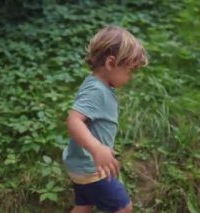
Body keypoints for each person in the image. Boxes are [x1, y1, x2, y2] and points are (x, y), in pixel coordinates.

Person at [62, 26, 148, 213]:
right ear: (111, 63)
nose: (130, 77)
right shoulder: (96, 90)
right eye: (129, 70)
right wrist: (97, 148)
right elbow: (74, 121)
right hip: (91, 168)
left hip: (81, 165)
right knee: (124, 208)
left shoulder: (97, 85)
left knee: (84, 205)